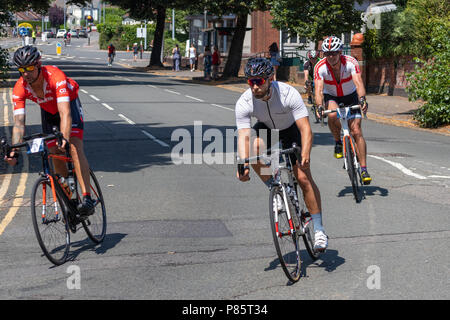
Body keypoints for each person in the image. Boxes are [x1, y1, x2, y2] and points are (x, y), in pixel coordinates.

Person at [235, 58, 328, 252]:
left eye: (258, 81)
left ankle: (319, 230)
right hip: (268, 129)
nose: (254, 87)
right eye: (250, 82)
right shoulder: (244, 101)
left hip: (290, 129)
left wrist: (305, 154)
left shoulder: (288, 93)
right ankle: (274, 188)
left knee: (303, 178)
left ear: (270, 79)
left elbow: (305, 129)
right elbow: (243, 136)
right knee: (252, 151)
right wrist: (242, 165)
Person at [5, 46, 95, 217]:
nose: (26, 73)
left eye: (30, 68)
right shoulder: (20, 88)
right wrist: (14, 150)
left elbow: (65, 113)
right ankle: (70, 201)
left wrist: (66, 138)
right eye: (22, 69)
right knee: (54, 153)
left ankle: (86, 197)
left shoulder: (55, 76)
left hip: (69, 105)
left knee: (74, 147)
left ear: (38, 65)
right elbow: (18, 123)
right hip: (48, 111)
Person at [314, 36, 372, 185]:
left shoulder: (351, 62)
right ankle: (338, 142)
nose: (331, 57)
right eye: (327, 54)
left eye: (334, 53)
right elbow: (319, 90)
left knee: (356, 131)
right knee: (332, 115)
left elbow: (358, 82)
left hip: (351, 95)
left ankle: (364, 169)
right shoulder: (320, 67)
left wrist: (362, 99)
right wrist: (319, 106)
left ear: (340, 52)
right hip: (331, 95)